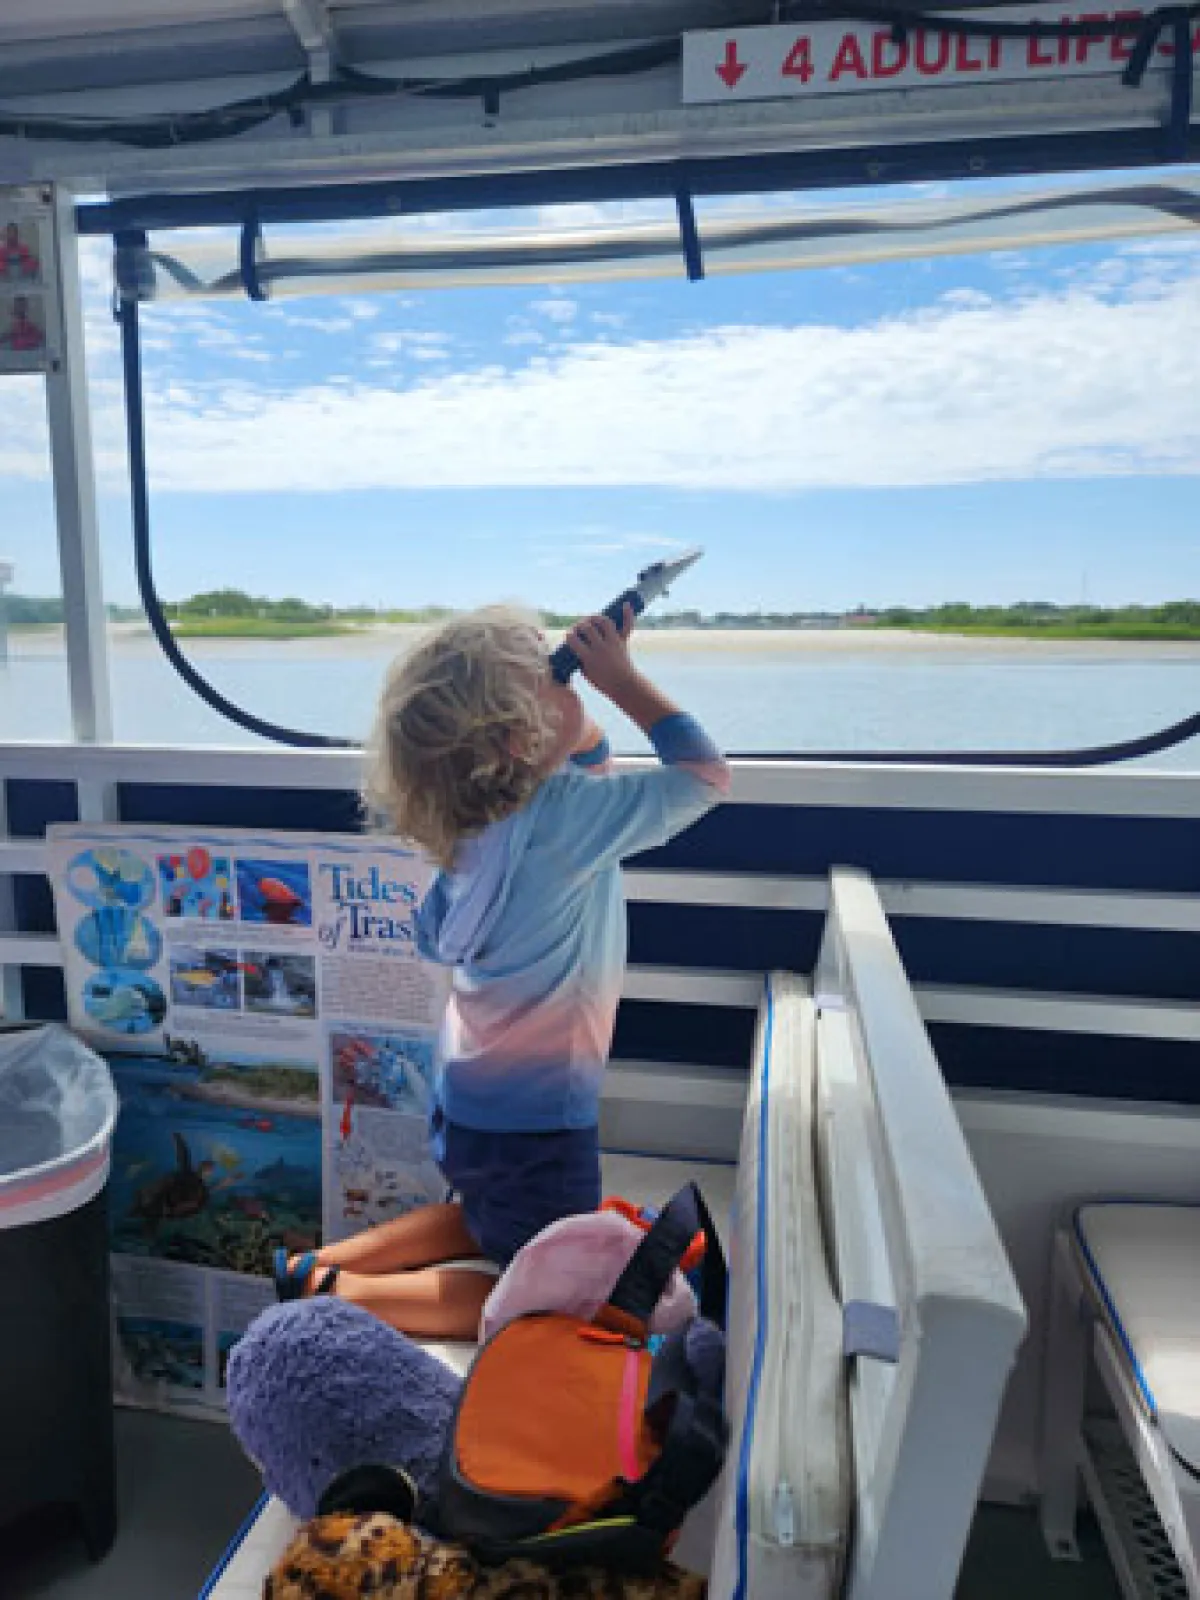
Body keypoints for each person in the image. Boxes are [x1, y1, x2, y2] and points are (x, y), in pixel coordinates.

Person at [275, 603, 728, 1337]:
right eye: (549, 674)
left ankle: (323, 1256)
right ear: (522, 741)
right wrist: (621, 682)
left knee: (478, 1217)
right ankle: (336, 1291)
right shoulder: (564, 822)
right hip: (540, 1121)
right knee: (540, 1282)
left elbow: (585, 769)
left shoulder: (471, 832)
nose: (566, 669)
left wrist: (573, 719)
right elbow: (705, 776)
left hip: (469, 1103)